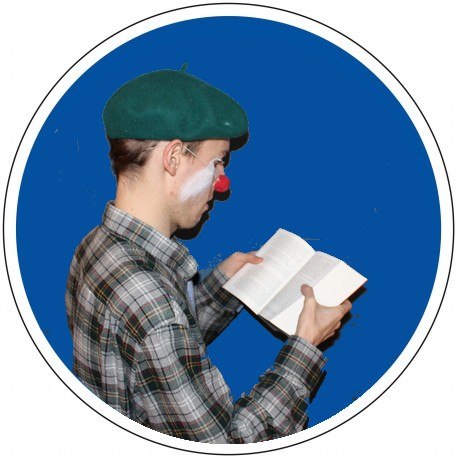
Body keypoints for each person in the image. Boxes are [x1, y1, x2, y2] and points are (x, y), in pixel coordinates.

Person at [65, 67, 352, 444]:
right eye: (217, 161)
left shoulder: (95, 246)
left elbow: (154, 361)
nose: (222, 183)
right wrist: (304, 350)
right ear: (173, 157)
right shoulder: (153, 305)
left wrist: (221, 289)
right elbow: (227, 447)